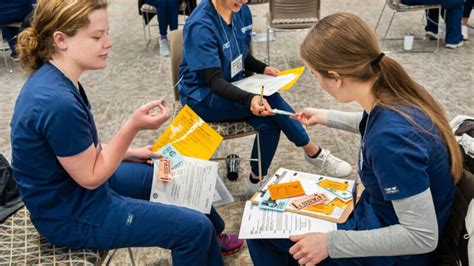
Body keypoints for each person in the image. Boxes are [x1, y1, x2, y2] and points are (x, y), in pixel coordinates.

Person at [10, 0, 242, 265]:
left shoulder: (56, 79)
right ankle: (204, 239)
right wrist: (132, 127)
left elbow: (77, 148)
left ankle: (213, 239)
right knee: (193, 229)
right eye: (97, 37)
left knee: (165, 174)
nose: (108, 43)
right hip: (70, 213)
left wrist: (130, 153)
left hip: (74, 189)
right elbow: (92, 177)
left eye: (106, 33)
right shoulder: (57, 101)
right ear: (61, 39)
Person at [247, 12, 463, 265]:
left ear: (336, 78)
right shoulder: (392, 94)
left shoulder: (390, 141)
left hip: (395, 254)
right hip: (377, 217)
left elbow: (422, 236)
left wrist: (329, 244)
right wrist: (325, 116)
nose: (317, 82)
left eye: (316, 76)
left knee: (258, 230)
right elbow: (370, 123)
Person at [178, 0, 353, 191]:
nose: (243, 0)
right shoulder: (201, 26)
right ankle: (312, 150)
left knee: (269, 121)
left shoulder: (240, 10)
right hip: (203, 96)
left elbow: (240, 56)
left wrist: (263, 68)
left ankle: (255, 179)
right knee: (269, 100)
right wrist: (249, 98)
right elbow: (214, 81)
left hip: (233, 84)